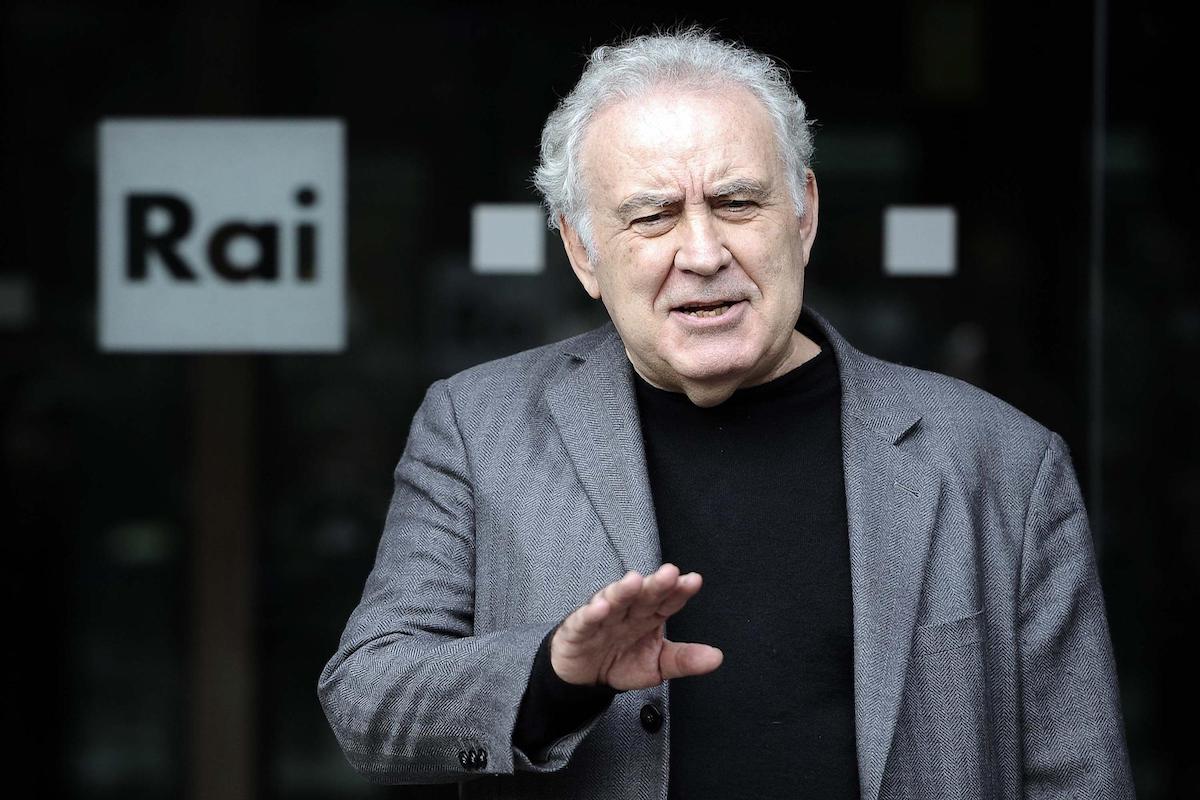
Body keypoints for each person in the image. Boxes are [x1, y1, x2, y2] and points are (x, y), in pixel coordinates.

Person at [318, 29, 1135, 799]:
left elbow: (1079, 775)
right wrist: (551, 676)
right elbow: (366, 701)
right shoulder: (477, 429)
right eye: (653, 216)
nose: (704, 254)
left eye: (738, 203)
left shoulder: (1002, 460)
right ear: (582, 250)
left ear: (804, 215)